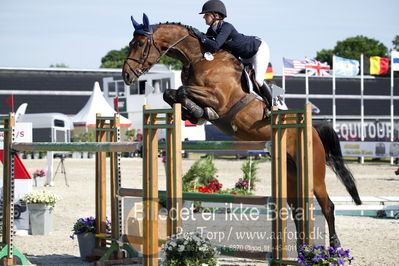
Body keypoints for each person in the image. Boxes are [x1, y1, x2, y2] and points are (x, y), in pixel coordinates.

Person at [192, 0, 274, 107]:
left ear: (215, 15)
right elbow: (208, 45)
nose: (204, 17)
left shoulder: (227, 27)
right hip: (244, 55)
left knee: (258, 79)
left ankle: (273, 104)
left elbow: (215, 45)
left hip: (257, 49)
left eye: (206, 14)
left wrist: (200, 36)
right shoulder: (211, 30)